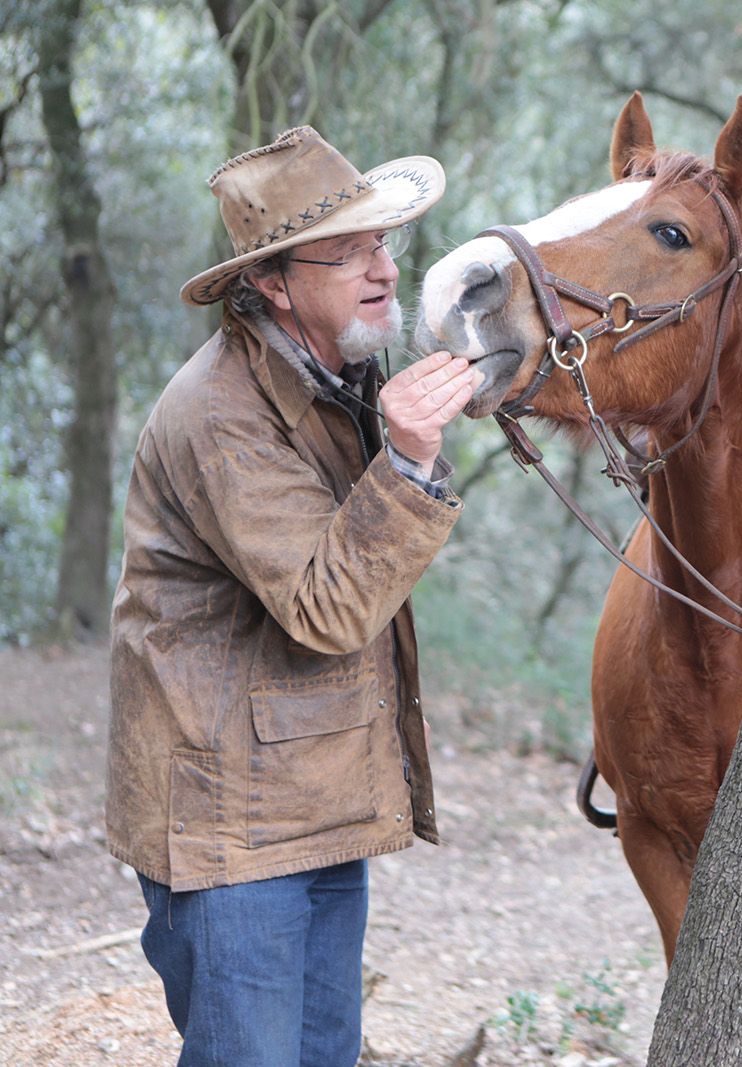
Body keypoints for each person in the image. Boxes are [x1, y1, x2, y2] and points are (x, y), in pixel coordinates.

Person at [107, 126, 482, 1066]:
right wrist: (408, 460)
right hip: (230, 829)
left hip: (312, 799)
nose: (384, 270)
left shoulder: (342, 376)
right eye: (348, 250)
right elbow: (327, 608)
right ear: (272, 283)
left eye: (383, 243)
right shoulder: (219, 413)